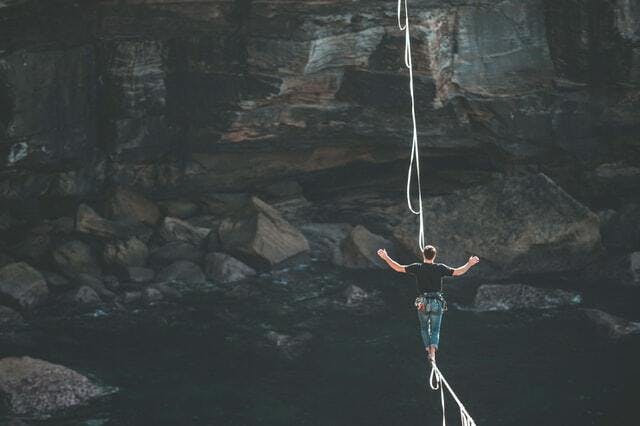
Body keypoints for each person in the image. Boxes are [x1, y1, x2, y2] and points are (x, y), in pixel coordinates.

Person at [377, 245, 479, 364]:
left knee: (425, 328)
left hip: (423, 302)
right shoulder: (440, 268)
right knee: (435, 330)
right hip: (436, 302)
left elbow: (398, 268)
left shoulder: (418, 267)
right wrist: (469, 264)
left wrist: (386, 257)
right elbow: (457, 272)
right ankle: (433, 354)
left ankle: (428, 350)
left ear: (423, 255)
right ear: (434, 256)